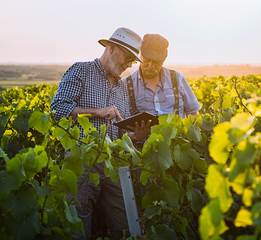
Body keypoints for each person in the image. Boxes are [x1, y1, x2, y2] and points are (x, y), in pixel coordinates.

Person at [50, 27, 143, 240]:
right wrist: (97, 112)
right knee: (77, 225)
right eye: (128, 58)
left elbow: (121, 132)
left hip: (115, 161)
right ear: (111, 48)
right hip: (81, 159)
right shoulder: (81, 70)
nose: (129, 65)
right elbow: (57, 110)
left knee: (126, 223)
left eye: (132, 62)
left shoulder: (122, 87)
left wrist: (135, 136)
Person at [124, 33, 201, 141]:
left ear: (164, 59)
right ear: (140, 55)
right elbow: (119, 130)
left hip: (177, 145)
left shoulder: (177, 79)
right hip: (142, 150)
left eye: (156, 62)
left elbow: (193, 114)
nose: (151, 65)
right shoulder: (126, 84)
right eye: (147, 60)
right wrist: (135, 136)